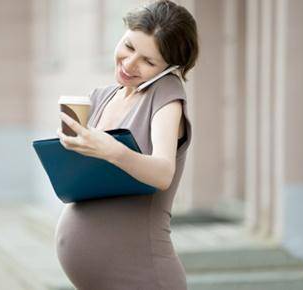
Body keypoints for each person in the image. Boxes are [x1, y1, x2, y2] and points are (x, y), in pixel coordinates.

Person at [55, 1, 198, 289]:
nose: (130, 63)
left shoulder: (166, 97)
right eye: (129, 47)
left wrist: (112, 150)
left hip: (142, 276)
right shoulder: (102, 96)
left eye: (148, 61)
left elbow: (162, 172)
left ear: (170, 67)